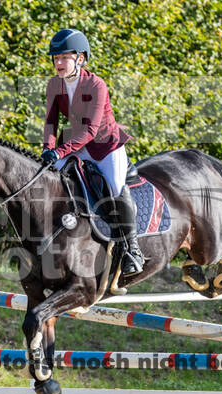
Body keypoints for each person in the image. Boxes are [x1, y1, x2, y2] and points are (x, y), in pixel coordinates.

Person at [41, 28, 144, 277]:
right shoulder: (54, 84)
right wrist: (47, 149)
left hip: (106, 146)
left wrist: (60, 151)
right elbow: (51, 123)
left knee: (115, 187)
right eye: (56, 58)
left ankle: (132, 249)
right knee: (48, 178)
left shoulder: (96, 84)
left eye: (65, 57)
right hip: (78, 145)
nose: (59, 63)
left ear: (80, 58)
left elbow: (90, 130)